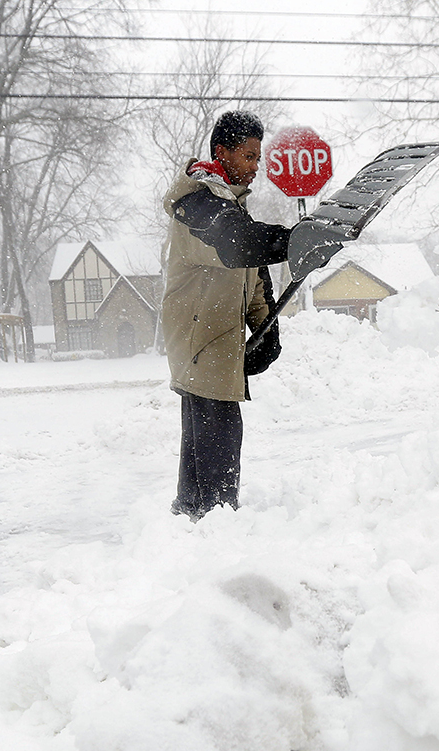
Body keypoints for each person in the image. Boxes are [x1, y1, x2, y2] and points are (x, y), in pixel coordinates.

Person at [161, 110, 289, 520]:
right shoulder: (196, 204)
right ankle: (216, 523)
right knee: (218, 436)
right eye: (249, 156)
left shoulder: (230, 206)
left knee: (205, 442)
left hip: (214, 339)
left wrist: (265, 328)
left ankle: (192, 517)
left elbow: (252, 279)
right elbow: (236, 245)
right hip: (200, 339)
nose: (256, 167)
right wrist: (294, 240)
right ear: (222, 152)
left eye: (258, 157)